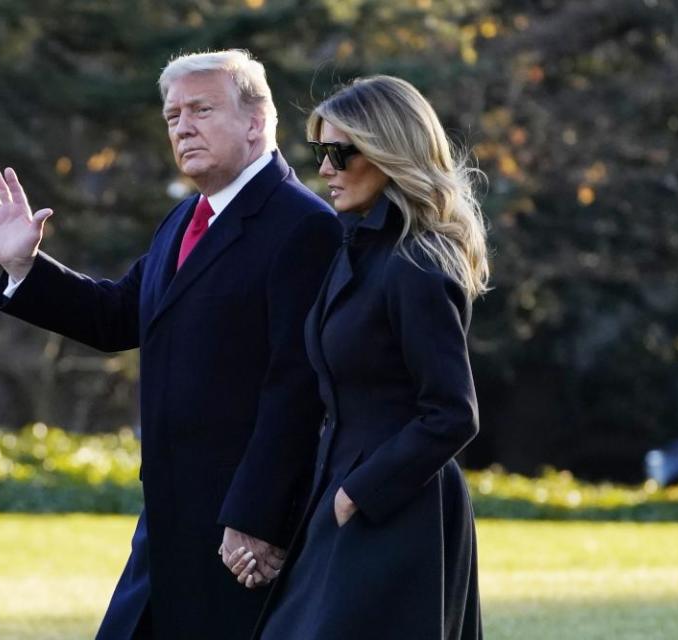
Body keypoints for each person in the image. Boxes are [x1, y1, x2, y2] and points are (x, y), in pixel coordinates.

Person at [0, 50, 341, 639]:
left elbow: (296, 388)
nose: (182, 126)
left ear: (256, 121)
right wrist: (25, 267)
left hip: (240, 529)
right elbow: (119, 315)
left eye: (201, 109)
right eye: (172, 116)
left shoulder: (304, 225)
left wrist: (256, 518)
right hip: (169, 520)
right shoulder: (183, 219)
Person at [233, 75, 488, 639]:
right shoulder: (354, 250)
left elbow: (453, 413)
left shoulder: (416, 264)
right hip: (342, 499)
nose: (324, 167)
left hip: (396, 510)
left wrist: (358, 493)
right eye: (319, 151)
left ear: (387, 151)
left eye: (338, 152)